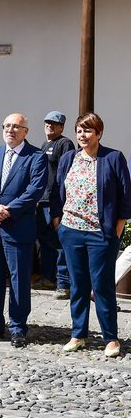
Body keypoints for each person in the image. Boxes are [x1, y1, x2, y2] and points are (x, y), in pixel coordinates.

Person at [51, 113, 130, 357]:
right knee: (78, 285)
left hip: (100, 234)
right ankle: (78, 334)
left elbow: (126, 197)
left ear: (99, 133)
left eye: (88, 130)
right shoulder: (68, 159)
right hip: (72, 231)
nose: (83, 135)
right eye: (79, 131)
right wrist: (59, 224)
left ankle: (110, 338)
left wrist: (116, 232)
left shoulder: (113, 158)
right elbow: (57, 192)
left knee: (102, 285)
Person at [0, 113, 47, 348]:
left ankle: (18, 328)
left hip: (18, 227)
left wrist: (9, 209)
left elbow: (35, 189)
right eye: (7, 126)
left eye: (16, 127)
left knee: (18, 280)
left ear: (26, 131)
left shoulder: (36, 156)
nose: (11, 130)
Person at [37, 111, 75, 298]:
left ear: (61, 127)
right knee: (45, 241)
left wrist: (61, 202)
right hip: (42, 200)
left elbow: (66, 174)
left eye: (54, 124)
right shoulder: (45, 144)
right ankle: (48, 278)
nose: (50, 126)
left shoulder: (65, 143)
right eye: (47, 123)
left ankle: (63, 283)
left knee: (59, 241)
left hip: (55, 200)